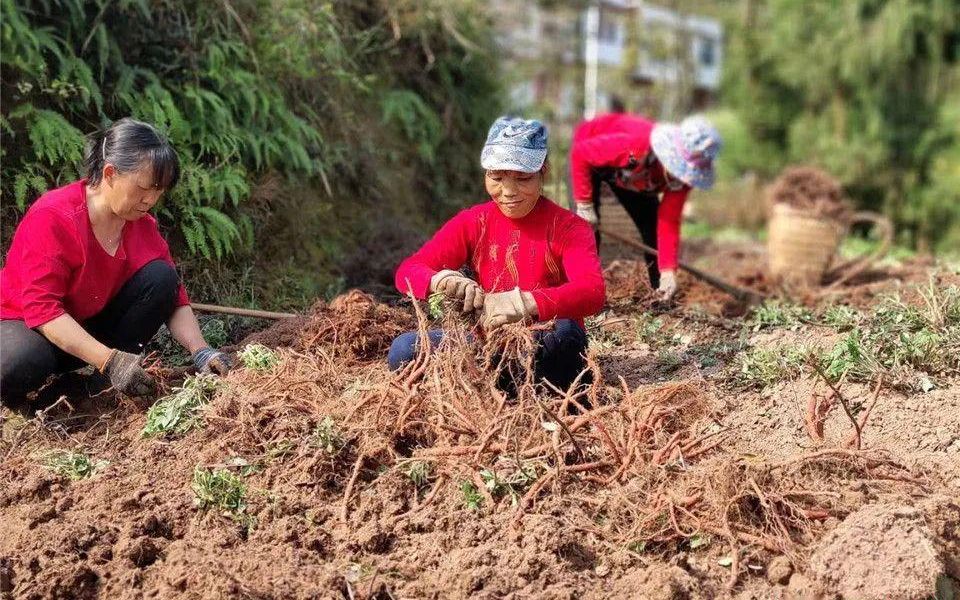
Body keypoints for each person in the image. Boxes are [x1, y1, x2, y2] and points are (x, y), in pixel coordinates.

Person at [0, 118, 232, 401]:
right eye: (145, 188)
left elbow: (174, 298)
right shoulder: (54, 218)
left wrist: (201, 351)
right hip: (27, 327)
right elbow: (43, 310)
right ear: (110, 174)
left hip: (85, 329)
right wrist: (111, 361)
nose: (151, 200)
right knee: (17, 363)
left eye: (159, 191)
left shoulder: (140, 224)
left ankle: (96, 387)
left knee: (162, 278)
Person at [388, 117, 605, 391]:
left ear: (543, 172)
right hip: (486, 340)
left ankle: (493, 383)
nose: (508, 191)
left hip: (544, 340)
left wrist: (524, 303)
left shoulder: (569, 227)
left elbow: (592, 292)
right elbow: (407, 272)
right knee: (404, 350)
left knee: (564, 337)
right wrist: (439, 281)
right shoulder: (473, 221)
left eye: (523, 178)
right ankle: (498, 382)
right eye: (496, 177)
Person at [569, 113, 722, 301]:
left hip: (631, 175)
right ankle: (584, 294)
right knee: (587, 229)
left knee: (651, 228)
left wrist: (668, 271)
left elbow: (668, 222)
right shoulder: (637, 145)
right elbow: (580, 154)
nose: (681, 178)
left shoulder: (683, 180)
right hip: (588, 158)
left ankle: (661, 293)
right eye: (679, 170)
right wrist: (584, 204)